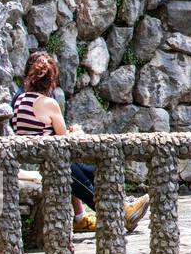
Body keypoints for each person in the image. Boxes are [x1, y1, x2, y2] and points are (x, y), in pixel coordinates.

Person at [12, 52, 149, 234]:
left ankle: (121, 205)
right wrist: (75, 133)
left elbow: (37, 131)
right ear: (51, 80)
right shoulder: (48, 103)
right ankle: (120, 213)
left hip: (31, 157)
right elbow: (65, 142)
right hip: (46, 162)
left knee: (88, 170)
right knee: (80, 172)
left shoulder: (18, 99)